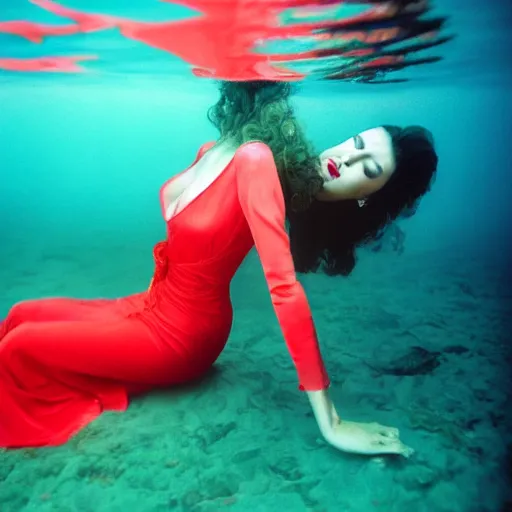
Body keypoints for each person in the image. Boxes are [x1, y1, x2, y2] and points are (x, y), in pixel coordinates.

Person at [0, 81, 438, 453]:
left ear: (366, 195)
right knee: (18, 316)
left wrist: (332, 423)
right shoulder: (228, 146)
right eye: (356, 144)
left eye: (368, 169)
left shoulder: (257, 161)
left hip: (182, 338)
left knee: (17, 349)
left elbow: (284, 291)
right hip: (153, 303)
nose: (347, 158)